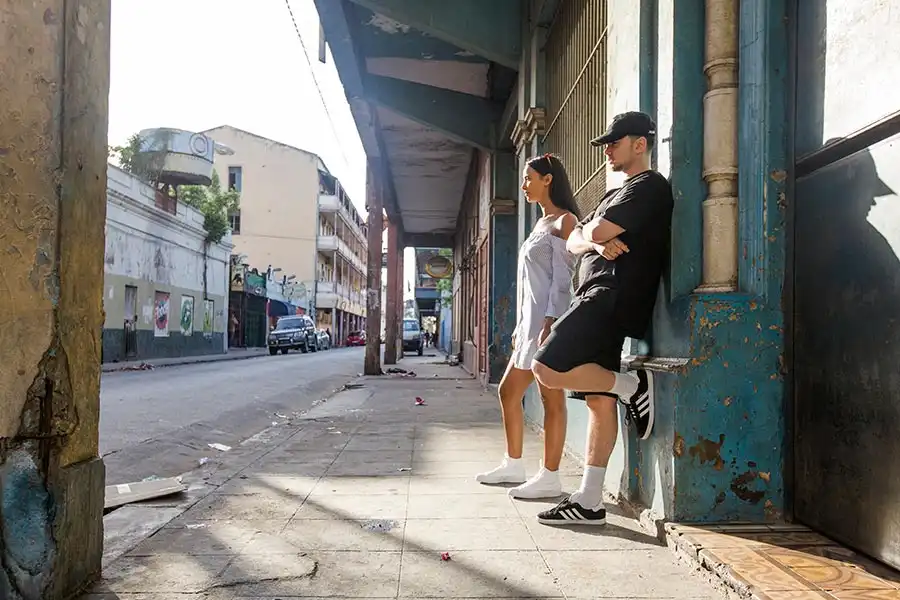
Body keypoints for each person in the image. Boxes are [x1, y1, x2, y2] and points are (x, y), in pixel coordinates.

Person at [530, 112, 674, 524]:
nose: (607, 150)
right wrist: (594, 242)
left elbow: (590, 232)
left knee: (545, 367)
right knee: (598, 399)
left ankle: (631, 385)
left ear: (640, 144)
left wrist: (593, 236)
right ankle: (590, 500)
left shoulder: (649, 186)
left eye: (614, 143)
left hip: (610, 294)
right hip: (599, 294)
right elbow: (576, 239)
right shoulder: (615, 193)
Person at [476, 153, 580, 499]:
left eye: (528, 178)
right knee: (509, 391)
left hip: (549, 323)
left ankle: (550, 476)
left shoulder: (565, 221)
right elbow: (529, 284)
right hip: (529, 326)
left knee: (551, 397)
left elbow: (562, 281)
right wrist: (522, 327)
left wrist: (551, 321)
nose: (523, 185)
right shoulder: (540, 224)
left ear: (548, 179)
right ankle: (513, 464)